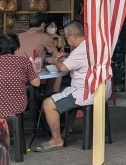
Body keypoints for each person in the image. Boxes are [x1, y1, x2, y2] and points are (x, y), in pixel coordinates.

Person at [37, 22, 109, 152]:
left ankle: (56, 140)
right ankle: (67, 130)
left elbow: (63, 68)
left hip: (87, 93)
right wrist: (67, 56)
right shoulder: (94, 45)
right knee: (68, 92)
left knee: (48, 104)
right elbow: (83, 60)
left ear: (73, 36)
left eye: (67, 38)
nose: (67, 41)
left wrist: (54, 60)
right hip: (103, 90)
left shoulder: (80, 50)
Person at [0, 34, 40, 118]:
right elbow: (36, 83)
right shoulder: (23, 61)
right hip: (18, 106)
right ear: (16, 47)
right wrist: (35, 70)